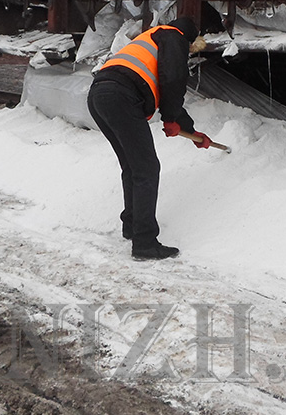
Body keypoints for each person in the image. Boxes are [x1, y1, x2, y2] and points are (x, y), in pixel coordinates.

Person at [87, 16, 211, 260]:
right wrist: (170, 117)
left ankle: (132, 225)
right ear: (190, 39)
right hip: (121, 96)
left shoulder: (152, 37)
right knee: (147, 168)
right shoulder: (174, 37)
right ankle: (144, 243)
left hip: (99, 94)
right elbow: (173, 80)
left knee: (133, 166)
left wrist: (188, 129)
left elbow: (166, 93)